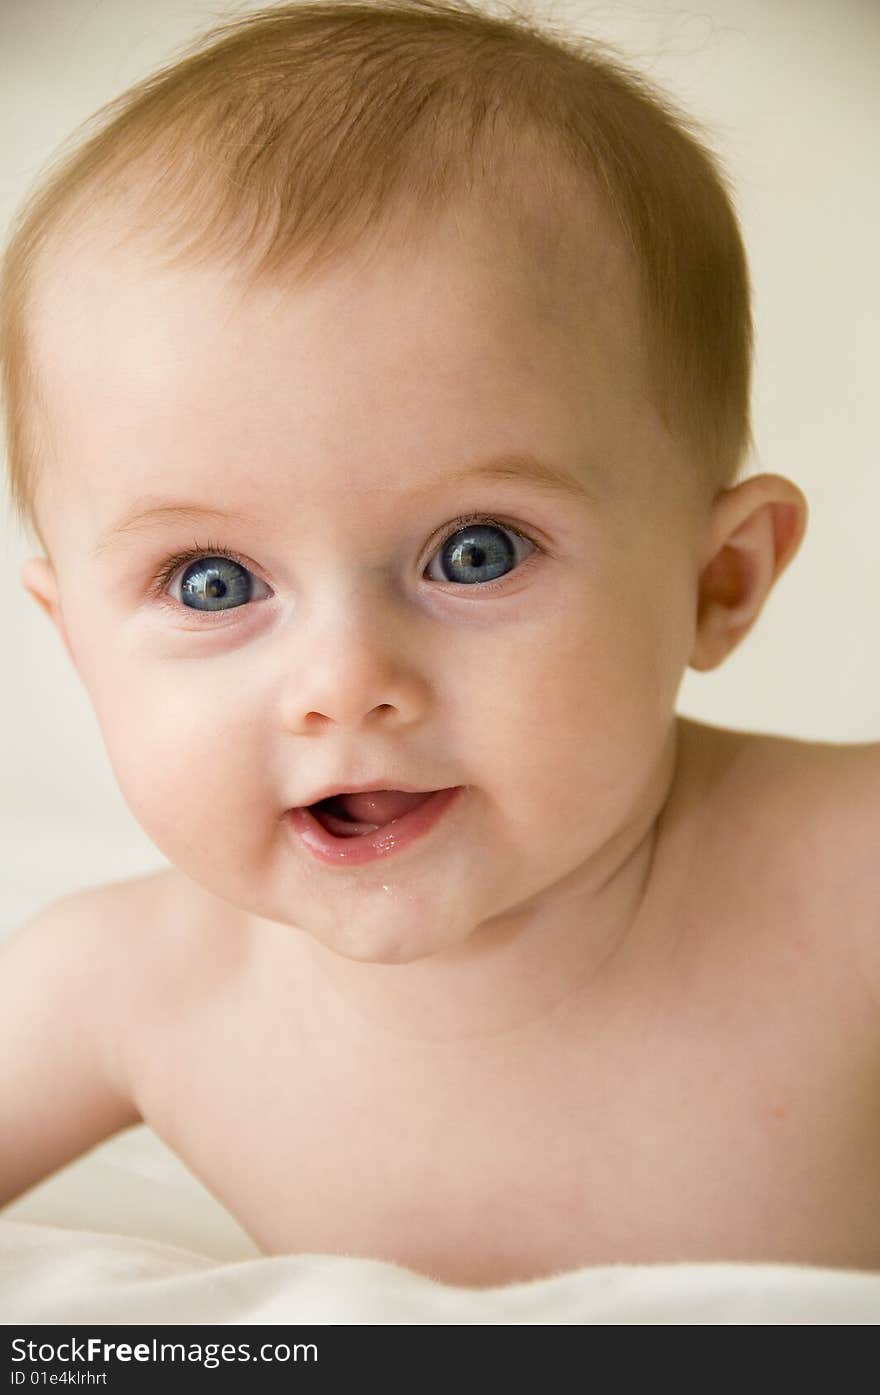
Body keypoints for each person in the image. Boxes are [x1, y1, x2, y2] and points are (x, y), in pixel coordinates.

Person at [1, 0, 877, 1289]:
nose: (346, 684)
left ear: (717, 582)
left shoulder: (847, 883)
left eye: (477, 552)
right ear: (74, 641)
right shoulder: (118, 988)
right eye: (212, 579)